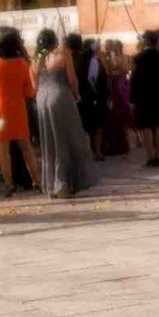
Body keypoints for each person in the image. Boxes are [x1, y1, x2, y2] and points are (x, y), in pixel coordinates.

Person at [35, 30, 99, 199]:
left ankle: (51, 185)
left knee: (49, 142)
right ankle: (62, 184)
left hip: (42, 99)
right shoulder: (63, 53)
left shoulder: (36, 59)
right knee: (66, 139)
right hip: (60, 96)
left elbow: (34, 84)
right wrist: (76, 94)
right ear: (55, 40)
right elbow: (72, 79)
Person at [0, 29, 39, 198]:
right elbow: (29, 92)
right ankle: (36, 180)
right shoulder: (22, 64)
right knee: (27, 147)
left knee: (2, 151)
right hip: (19, 111)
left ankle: (8, 184)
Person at [131, 31, 159, 166]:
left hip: (144, 96)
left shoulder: (140, 57)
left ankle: (150, 156)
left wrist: (133, 97)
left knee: (146, 127)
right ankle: (157, 155)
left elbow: (135, 77)